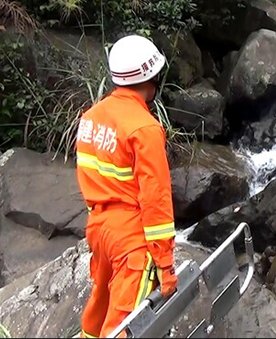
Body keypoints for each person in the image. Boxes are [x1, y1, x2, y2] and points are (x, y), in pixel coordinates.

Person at [75, 35, 177, 338]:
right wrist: (165, 265)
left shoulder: (91, 118)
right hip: (130, 238)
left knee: (97, 314)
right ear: (152, 77)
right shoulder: (144, 128)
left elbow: (89, 176)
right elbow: (156, 201)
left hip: (98, 227)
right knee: (123, 326)